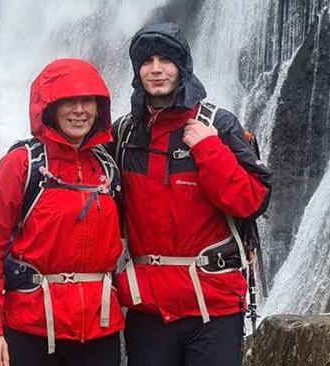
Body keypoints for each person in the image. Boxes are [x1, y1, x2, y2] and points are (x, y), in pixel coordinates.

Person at [112, 23, 271, 366]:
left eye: (166, 60)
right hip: (148, 307)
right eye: (147, 61)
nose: (156, 69)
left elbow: (252, 201)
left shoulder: (219, 124)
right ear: (137, 71)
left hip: (212, 308)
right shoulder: (124, 133)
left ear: (182, 67)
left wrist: (210, 149)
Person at [0, 58, 124, 366]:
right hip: (32, 329)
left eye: (87, 101)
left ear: (99, 108)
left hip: (99, 328)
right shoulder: (21, 164)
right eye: (68, 101)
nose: (79, 111)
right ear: (49, 107)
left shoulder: (107, 166)